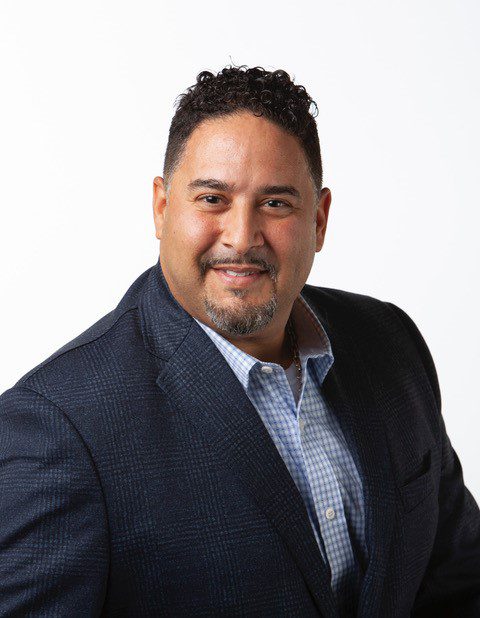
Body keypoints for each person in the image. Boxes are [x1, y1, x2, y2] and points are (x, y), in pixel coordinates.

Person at [0, 65, 479, 618]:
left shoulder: (390, 343)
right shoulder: (58, 429)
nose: (241, 236)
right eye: (211, 199)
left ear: (320, 220)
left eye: (276, 203)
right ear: (161, 207)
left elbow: (459, 582)